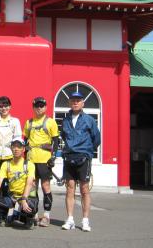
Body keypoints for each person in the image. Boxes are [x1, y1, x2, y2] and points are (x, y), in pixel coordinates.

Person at [61, 91, 101, 232]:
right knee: (69, 189)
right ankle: (70, 219)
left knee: (84, 190)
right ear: (69, 103)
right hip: (69, 157)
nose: (75, 102)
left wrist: (87, 150)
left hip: (83, 157)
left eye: (78, 100)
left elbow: (97, 139)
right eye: (73, 100)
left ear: (83, 103)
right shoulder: (65, 120)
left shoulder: (89, 120)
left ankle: (85, 221)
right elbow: (63, 137)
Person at [0, 138, 37, 228]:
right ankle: (6, 217)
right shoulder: (6, 164)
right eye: (14, 146)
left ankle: (29, 218)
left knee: (30, 207)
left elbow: (29, 184)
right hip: (12, 197)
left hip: (25, 197)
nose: (16, 149)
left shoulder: (29, 165)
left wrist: (24, 199)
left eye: (19, 147)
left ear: (23, 149)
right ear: (11, 148)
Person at [24, 96, 59, 227]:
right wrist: (24, 158)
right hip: (31, 159)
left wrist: (53, 157)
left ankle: (46, 216)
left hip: (44, 160)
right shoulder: (29, 122)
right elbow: (24, 140)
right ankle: (34, 214)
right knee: (32, 188)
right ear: (33, 107)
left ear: (46, 107)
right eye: (37, 106)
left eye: (42, 105)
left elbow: (56, 141)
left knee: (45, 187)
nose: (39, 108)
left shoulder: (50, 122)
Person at [0, 96, 22, 190]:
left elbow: (18, 138)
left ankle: (7, 202)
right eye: (1, 106)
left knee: (7, 182)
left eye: (6, 105)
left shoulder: (15, 121)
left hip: (9, 155)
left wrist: (17, 154)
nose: (4, 108)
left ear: (10, 107)